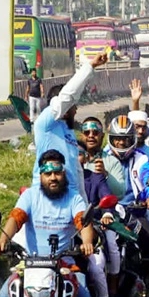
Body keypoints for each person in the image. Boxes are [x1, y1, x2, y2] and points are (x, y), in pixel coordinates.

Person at [0, 150, 98, 297]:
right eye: (47, 173)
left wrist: (87, 243)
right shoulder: (30, 196)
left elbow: (84, 223)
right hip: (29, 264)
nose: (53, 177)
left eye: (57, 172)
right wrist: (2, 240)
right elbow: (16, 219)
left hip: (63, 264)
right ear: (40, 175)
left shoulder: (74, 198)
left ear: (64, 174)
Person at [33, 53, 107, 197]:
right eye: (73, 106)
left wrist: (84, 211)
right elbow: (66, 97)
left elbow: (77, 175)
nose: (76, 110)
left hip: (70, 202)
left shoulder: (68, 132)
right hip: (46, 198)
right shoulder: (45, 125)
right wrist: (90, 67)